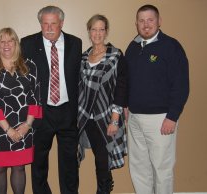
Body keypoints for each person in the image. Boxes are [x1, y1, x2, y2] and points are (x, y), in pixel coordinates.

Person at [125, 4, 189, 194]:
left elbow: (181, 85)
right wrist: (127, 105)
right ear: (136, 23)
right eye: (141, 21)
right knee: (139, 168)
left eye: (150, 20)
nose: (146, 25)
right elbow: (127, 79)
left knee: (162, 169)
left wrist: (173, 116)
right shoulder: (133, 46)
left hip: (161, 119)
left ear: (159, 21)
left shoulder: (171, 47)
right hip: (135, 119)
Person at [21, 5, 82, 194]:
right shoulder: (27, 44)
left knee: (69, 163)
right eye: (44, 23)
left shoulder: (76, 43)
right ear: (40, 23)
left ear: (61, 23)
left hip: (67, 111)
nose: (48, 28)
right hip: (41, 111)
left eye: (53, 24)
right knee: (38, 162)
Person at [0, 27, 42, 194]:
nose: (6, 45)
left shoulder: (29, 67)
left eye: (10, 40)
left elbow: (35, 99)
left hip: (24, 127)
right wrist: (8, 130)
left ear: (16, 43)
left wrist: (27, 125)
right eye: (2, 41)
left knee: (19, 168)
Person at [77, 14, 128, 194]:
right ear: (89, 31)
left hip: (106, 116)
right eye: (94, 29)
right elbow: (80, 88)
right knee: (99, 158)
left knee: (102, 158)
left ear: (106, 32)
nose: (97, 33)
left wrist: (115, 119)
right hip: (86, 117)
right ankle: (105, 186)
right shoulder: (83, 57)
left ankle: (104, 190)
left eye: (101, 29)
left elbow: (121, 88)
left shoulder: (115, 55)